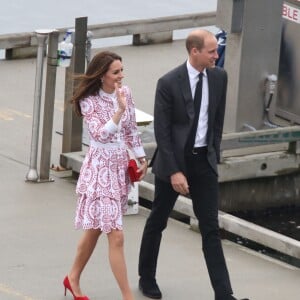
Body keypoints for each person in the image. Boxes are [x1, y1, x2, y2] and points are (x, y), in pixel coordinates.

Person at [138, 29, 249, 300]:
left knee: (210, 227)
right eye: (211, 51)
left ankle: (224, 295)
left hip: (204, 162)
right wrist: (175, 170)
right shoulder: (168, 83)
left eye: (216, 50)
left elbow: (217, 122)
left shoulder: (219, 77)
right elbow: (162, 133)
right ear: (194, 51)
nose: (217, 55)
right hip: (173, 162)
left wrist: (214, 154)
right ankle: (147, 277)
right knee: (158, 220)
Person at [63, 51, 148, 300]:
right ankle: (127, 297)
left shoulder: (126, 93)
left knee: (95, 229)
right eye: (116, 72)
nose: (121, 76)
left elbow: (131, 130)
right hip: (100, 170)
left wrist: (142, 158)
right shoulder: (89, 100)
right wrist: (118, 111)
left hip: (120, 167)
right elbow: (100, 135)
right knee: (116, 235)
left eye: (122, 70)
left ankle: (73, 278)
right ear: (102, 76)